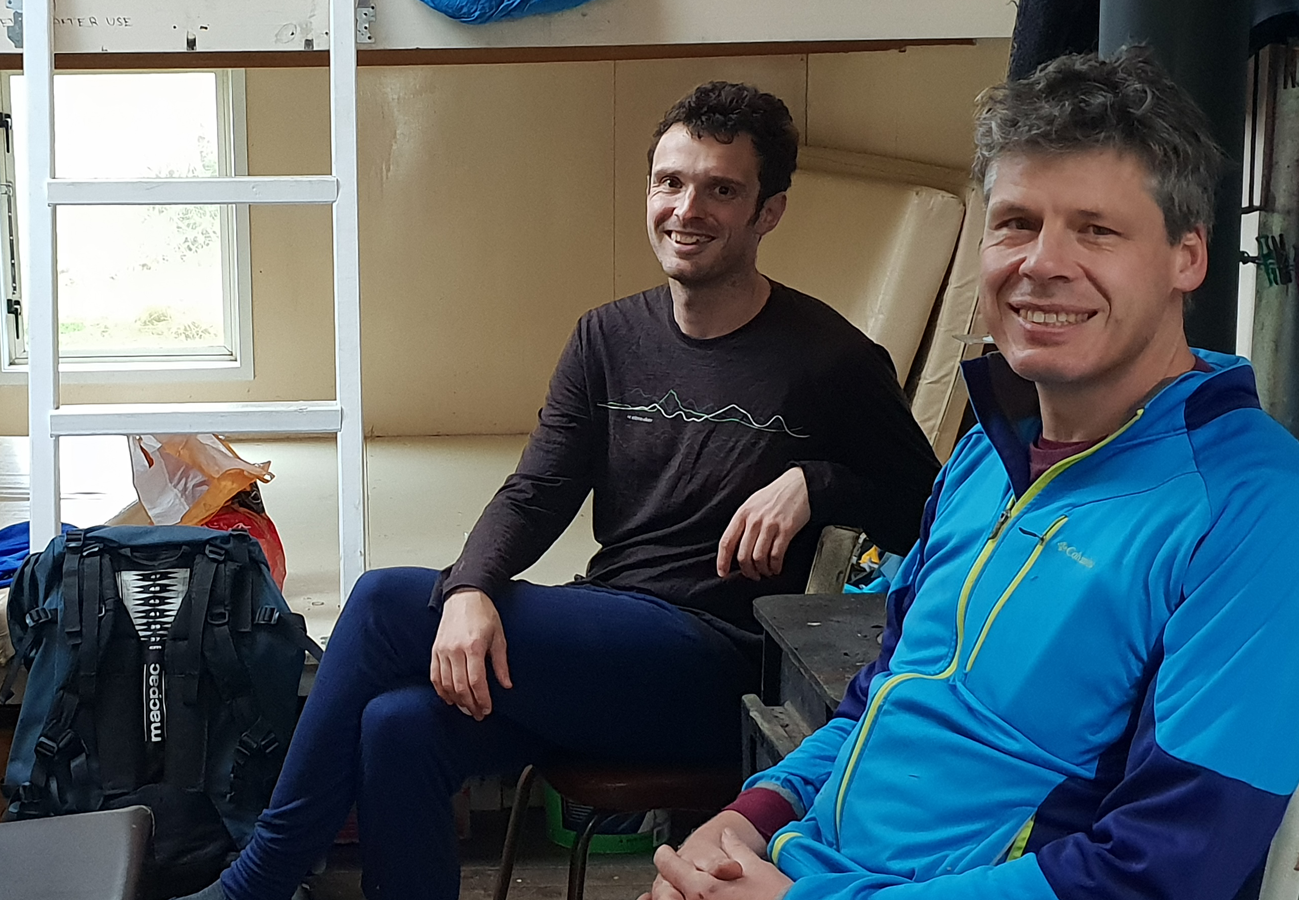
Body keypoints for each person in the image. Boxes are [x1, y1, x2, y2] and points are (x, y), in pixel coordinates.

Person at [180, 81, 942, 900]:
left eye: (722, 189)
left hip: (716, 664)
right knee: (395, 725)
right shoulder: (607, 336)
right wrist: (472, 586)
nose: (687, 209)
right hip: (612, 629)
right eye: (670, 182)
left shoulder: (832, 361)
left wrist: (816, 484)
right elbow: (538, 490)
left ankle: (255, 883)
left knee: (380, 603)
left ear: (769, 212)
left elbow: (936, 510)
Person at [644, 50, 1299, 900]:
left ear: (1188, 257)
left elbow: (1168, 868)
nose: (1043, 263)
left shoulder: (1261, 512)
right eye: (1016, 222)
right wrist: (753, 815)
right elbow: (888, 700)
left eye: (1097, 229)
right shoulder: (990, 451)